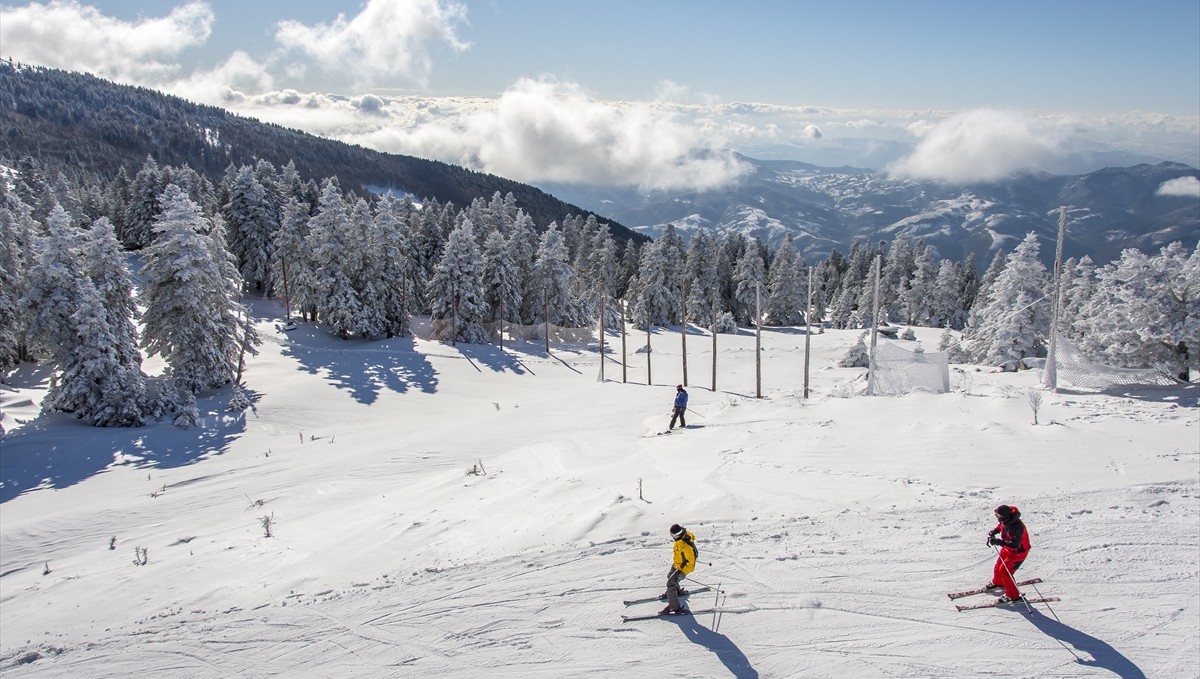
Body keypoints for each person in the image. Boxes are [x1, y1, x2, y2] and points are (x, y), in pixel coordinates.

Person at [985, 504, 1031, 604]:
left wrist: (998, 542)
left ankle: (1013, 596)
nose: (997, 518)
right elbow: (1001, 526)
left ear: (1004, 516)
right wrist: (994, 532)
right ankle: (998, 582)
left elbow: (1015, 545)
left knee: (1005, 571)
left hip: (1018, 552)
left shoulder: (1016, 527)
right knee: (998, 566)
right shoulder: (1006, 520)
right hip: (1007, 548)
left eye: (998, 516)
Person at [660, 523, 698, 615]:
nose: (676, 536)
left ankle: (674, 607)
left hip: (682, 568)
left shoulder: (686, 545)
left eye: (678, 534)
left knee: (670, 584)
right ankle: (676, 592)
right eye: (674, 535)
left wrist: (683, 573)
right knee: (669, 576)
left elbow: (691, 563)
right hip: (677, 564)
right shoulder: (681, 539)